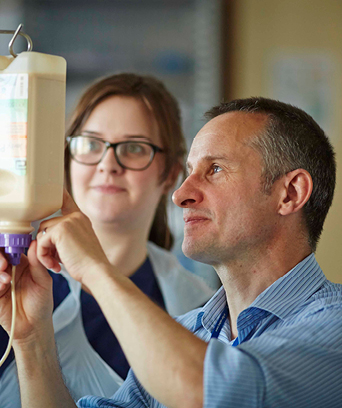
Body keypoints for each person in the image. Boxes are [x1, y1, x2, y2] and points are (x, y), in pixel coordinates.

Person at [0, 96, 342, 408]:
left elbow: (216, 392)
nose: (181, 195)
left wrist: (95, 267)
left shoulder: (334, 324)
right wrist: (32, 340)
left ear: (290, 194)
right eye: (190, 171)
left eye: (215, 170)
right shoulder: (188, 332)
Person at [0, 73, 215, 406]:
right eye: (90, 144)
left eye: (133, 148)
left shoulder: (201, 309)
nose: (107, 164)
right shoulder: (12, 280)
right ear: (67, 158)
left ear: (170, 174)